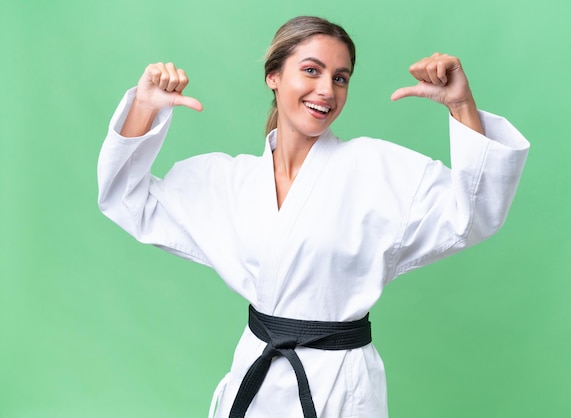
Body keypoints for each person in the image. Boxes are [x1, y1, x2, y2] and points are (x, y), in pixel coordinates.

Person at [98, 15, 529, 418]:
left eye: (340, 78)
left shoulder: (376, 170)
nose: (327, 89)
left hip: (339, 388)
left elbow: (473, 213)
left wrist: (462, 104)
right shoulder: (226, 181)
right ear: (273, 76)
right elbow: (128, 199)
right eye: (311, 70)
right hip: (257, 376)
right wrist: (145, 107)